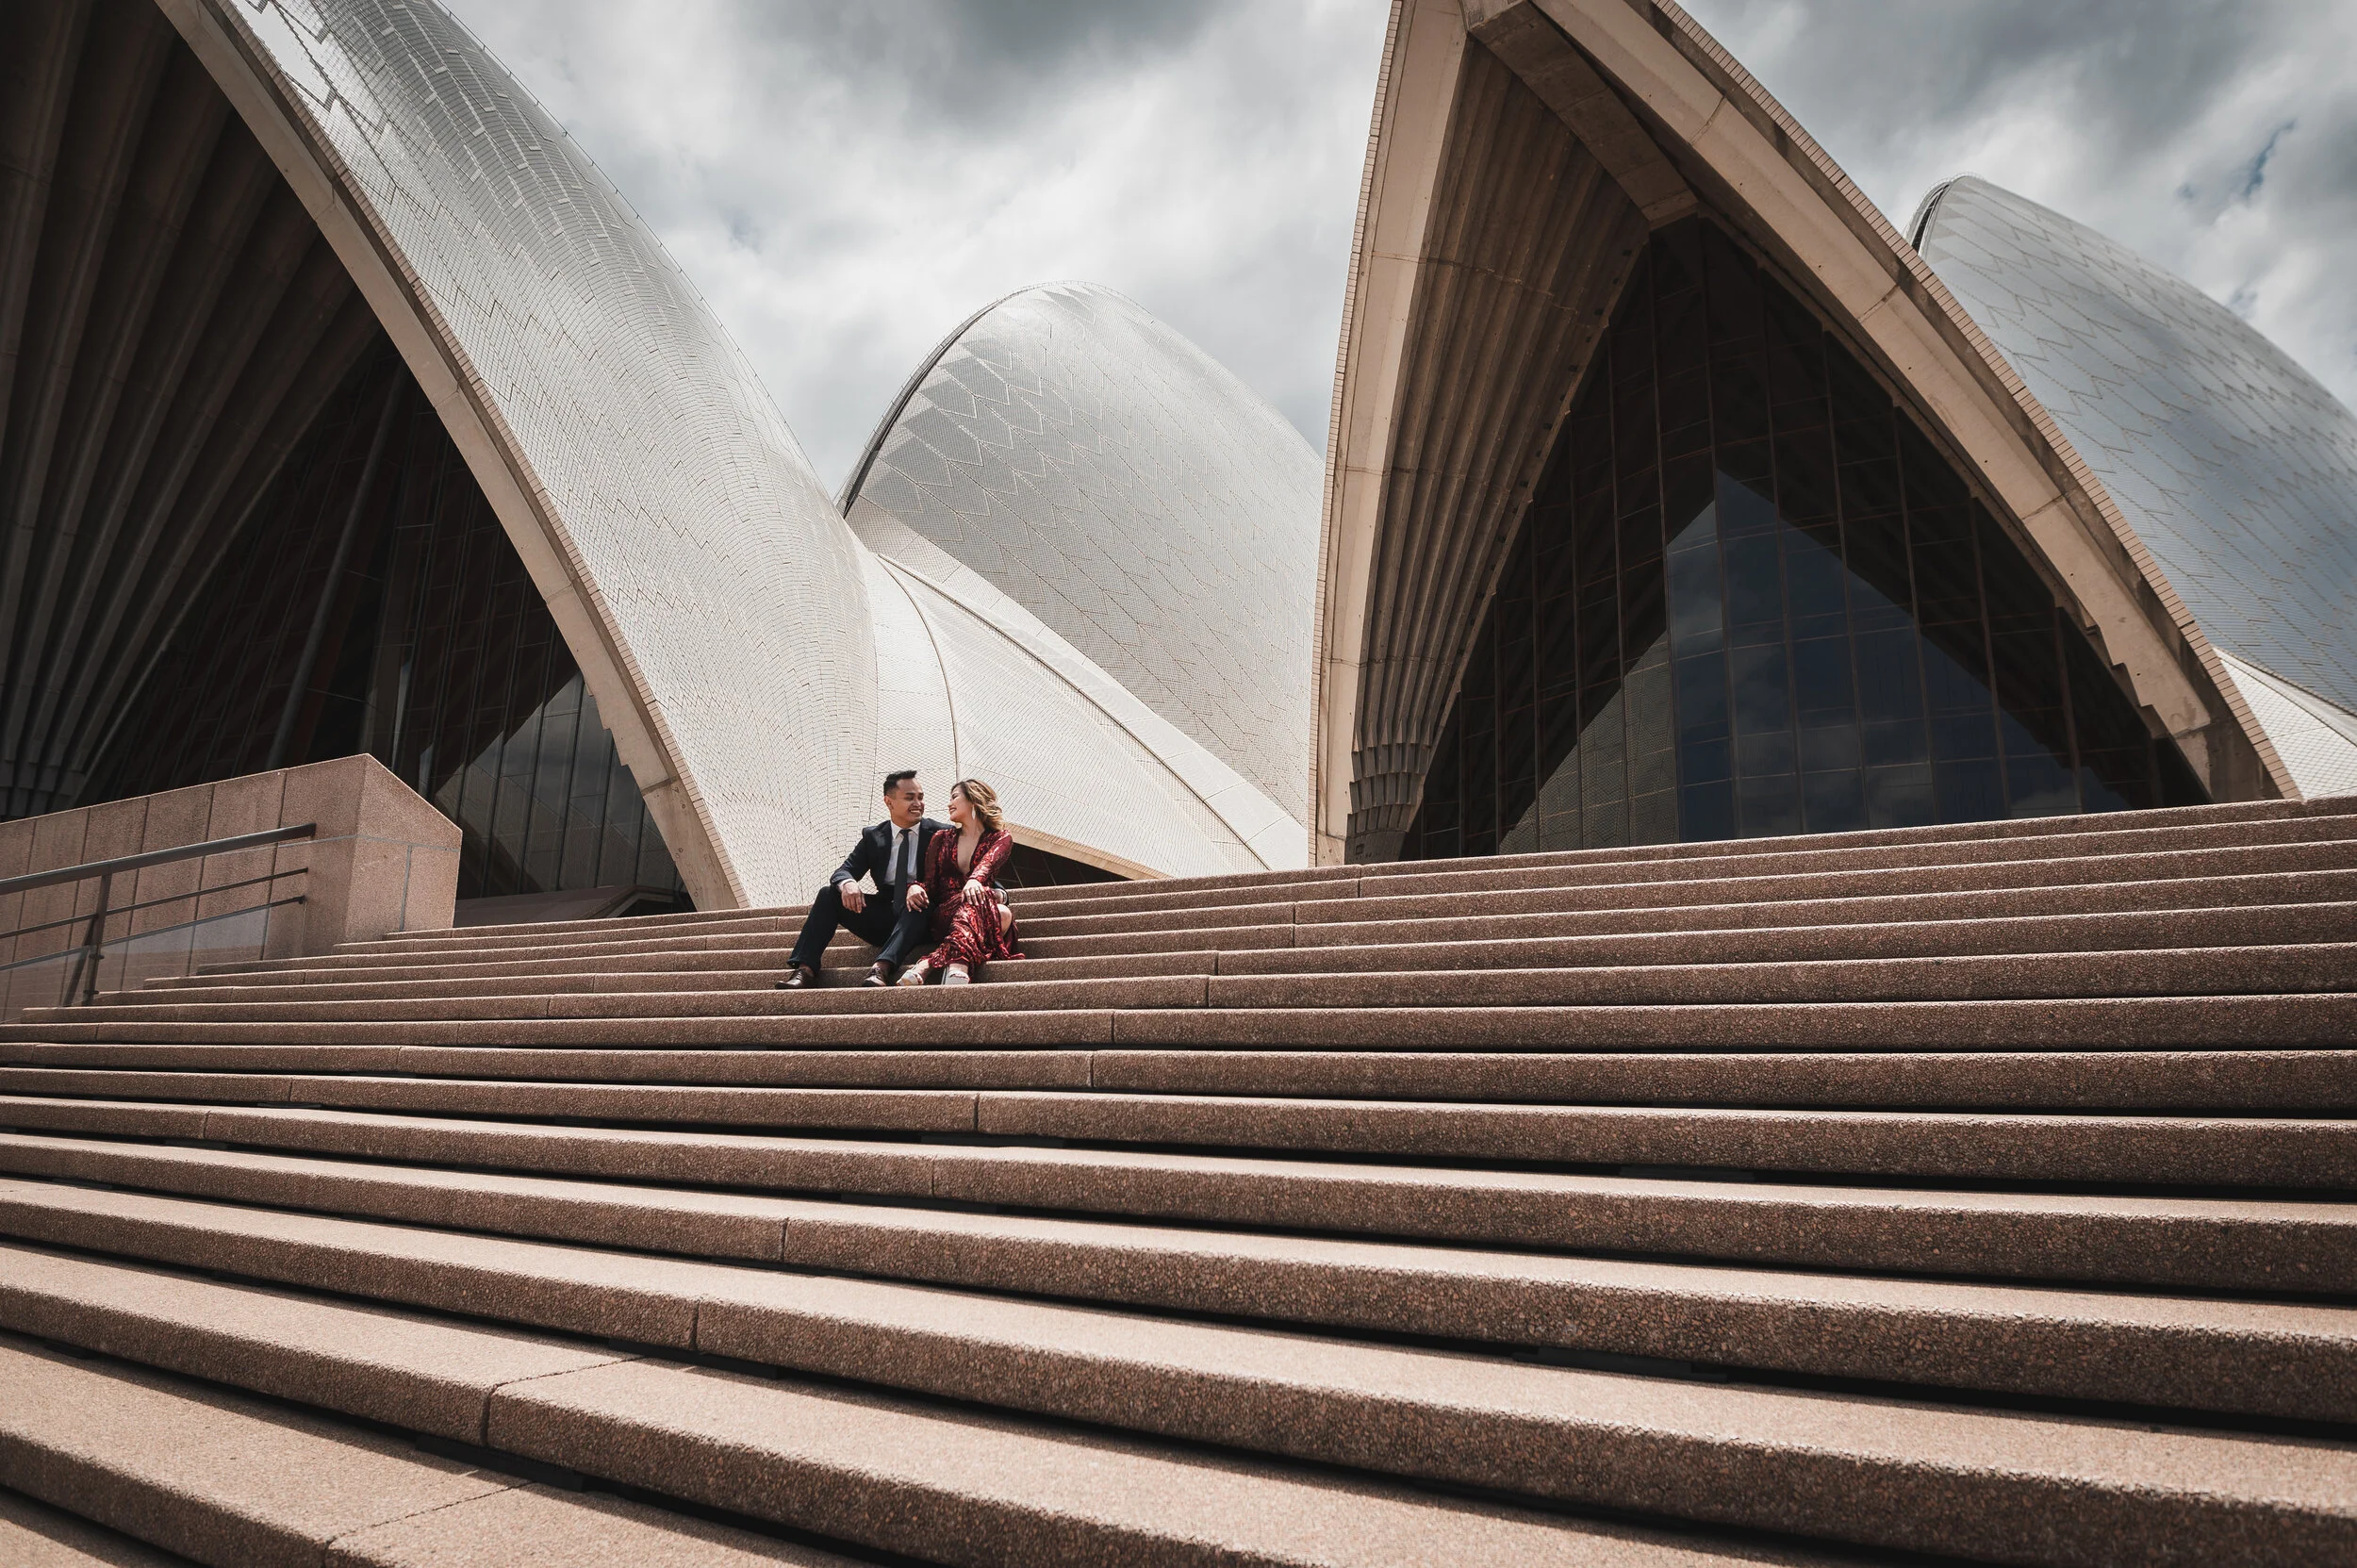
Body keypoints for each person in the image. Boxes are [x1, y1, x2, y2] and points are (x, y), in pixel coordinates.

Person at [776, 769, 945, 989]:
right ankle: (805, 970)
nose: (918, 803)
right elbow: (844, 870)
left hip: (921, 917)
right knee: (828, 894)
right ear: (889, 802)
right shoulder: (874, 836)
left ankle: (881, 969)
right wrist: (848, 883)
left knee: (920, 904)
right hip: (885, 915)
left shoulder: (940, 833)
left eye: (920, 797)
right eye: (909, 797)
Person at [897, 778, 1023, 986]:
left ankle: (928, 965)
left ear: (974, 800)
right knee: (992, 905)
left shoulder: (1000, 838)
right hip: (946, 913)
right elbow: (930, 883)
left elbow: (988, 865)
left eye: (955, 797)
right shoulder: (942, 838)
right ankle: (959, 965)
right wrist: (915, 887)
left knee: (1001, 912)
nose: (949, 803)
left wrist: (974, 880)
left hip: (977, 910)